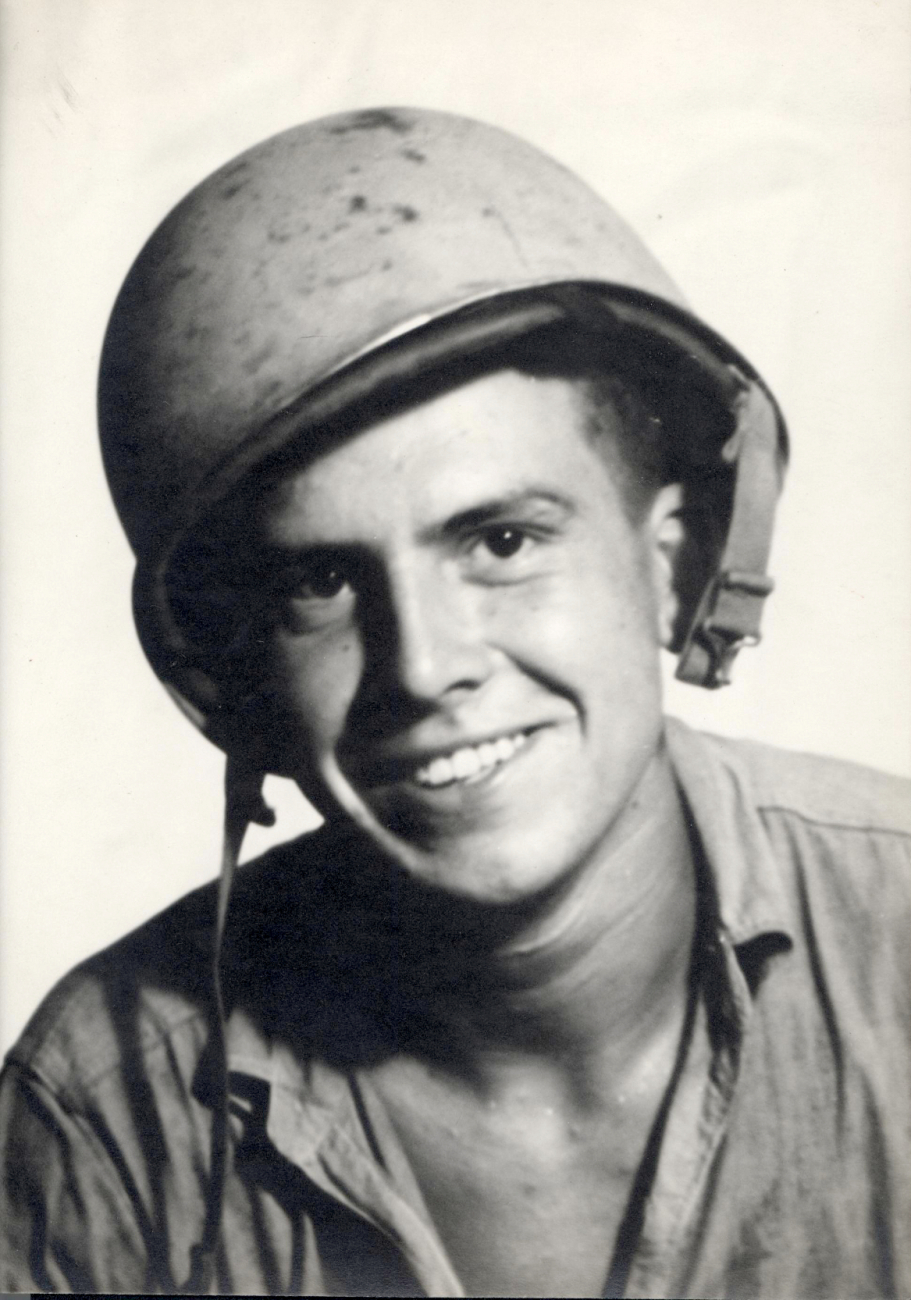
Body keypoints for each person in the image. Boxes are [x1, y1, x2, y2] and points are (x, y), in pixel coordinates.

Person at [0, 107, 908, 1299]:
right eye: (320, 582)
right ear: (237, 677)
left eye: (498, 539)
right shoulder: (105, 1113)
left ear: (674, 566)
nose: (423, 666)